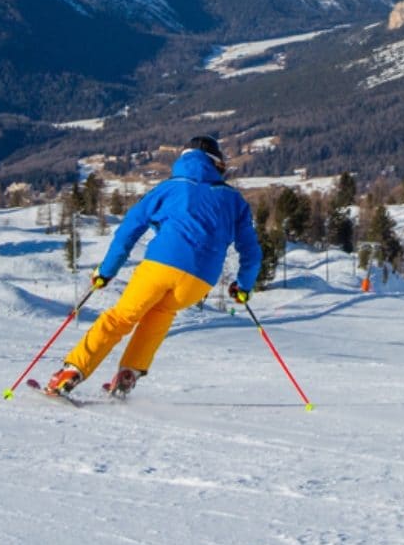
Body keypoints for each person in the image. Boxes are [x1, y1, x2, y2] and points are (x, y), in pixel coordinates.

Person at [42, 135, 262, 398]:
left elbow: (128, 232)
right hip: (200, 280)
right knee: (160, 315)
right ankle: (130, 373)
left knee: (121, 317)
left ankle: (72, 371)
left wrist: (106, 271)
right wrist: (244, 286)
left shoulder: (168, 188)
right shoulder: (234, 200)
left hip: (161, 265)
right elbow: (251, 250)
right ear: (218, 164)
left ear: (184, 159)